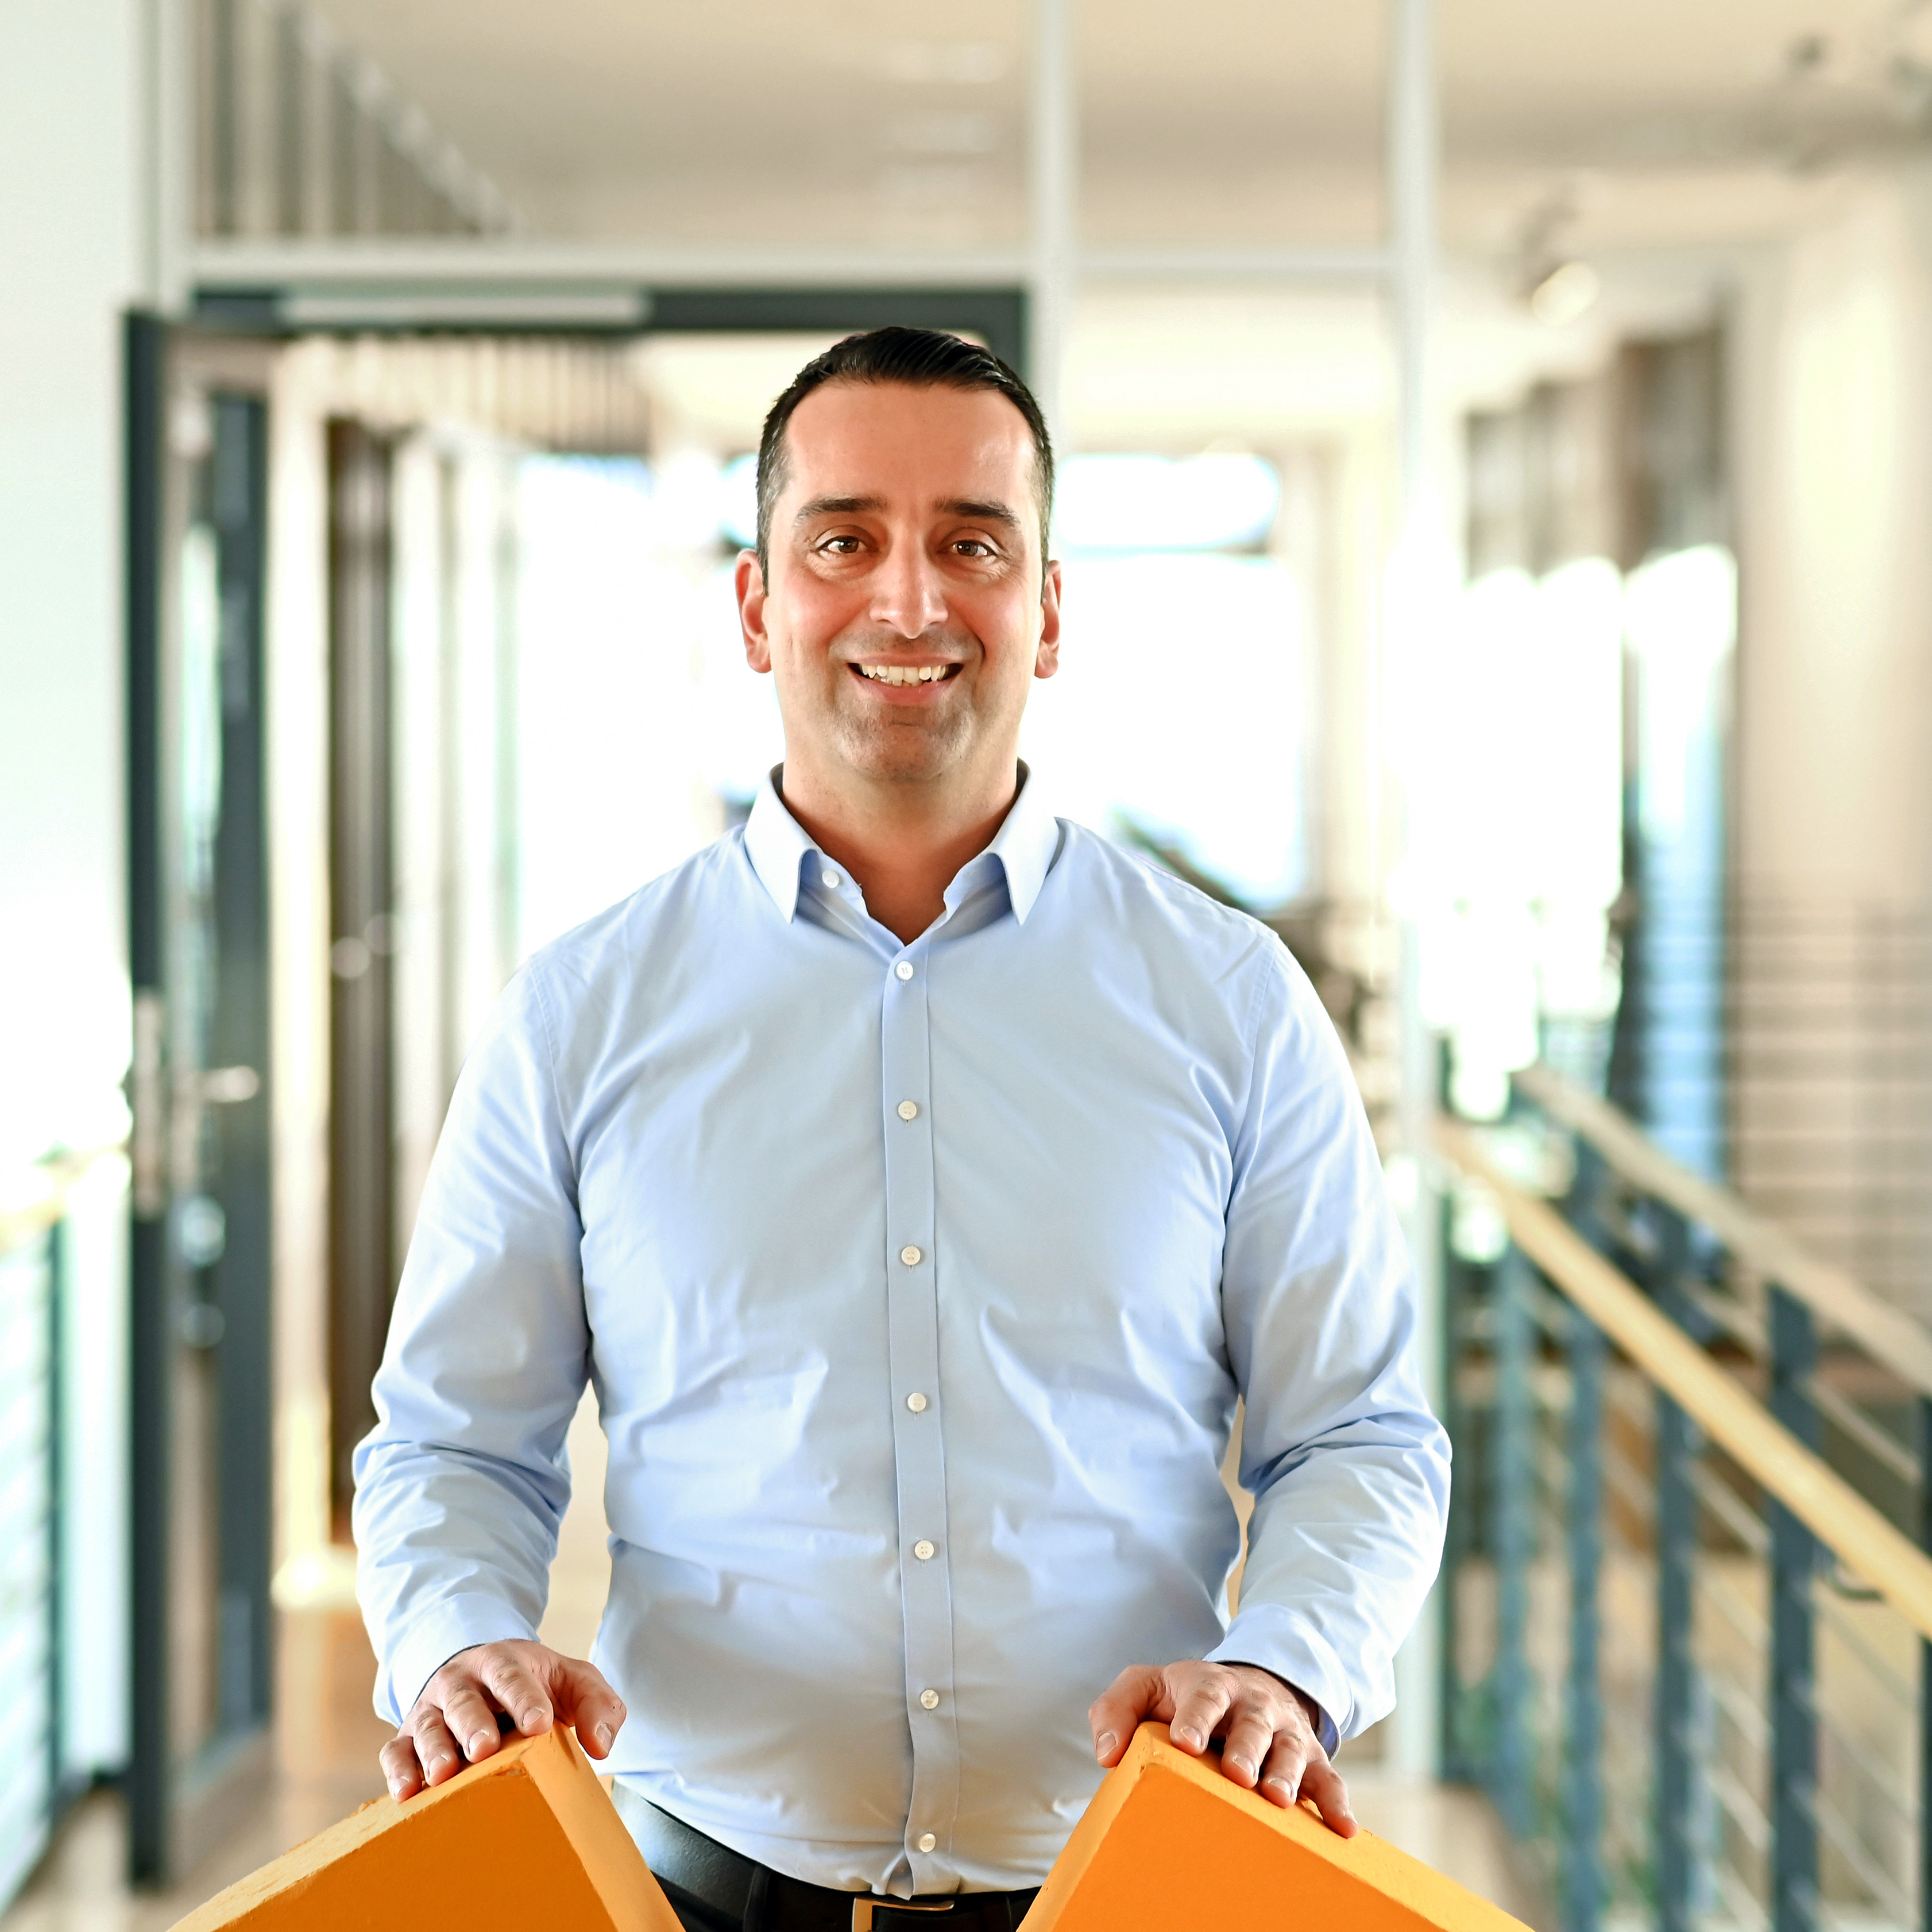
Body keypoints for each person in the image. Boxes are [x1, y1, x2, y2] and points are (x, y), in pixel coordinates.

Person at [355, 327, 1450, 1931]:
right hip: (700, 1889)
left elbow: (1356, 1434)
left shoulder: (1227, 999)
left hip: (1120, 1883)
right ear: (755, 603)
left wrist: (1283, 1664)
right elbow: (453, 1439)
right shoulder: (582, 1010)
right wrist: (458, 1638)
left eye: (972, 545)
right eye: (845, 540)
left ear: (1049, 611)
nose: (911, 602)